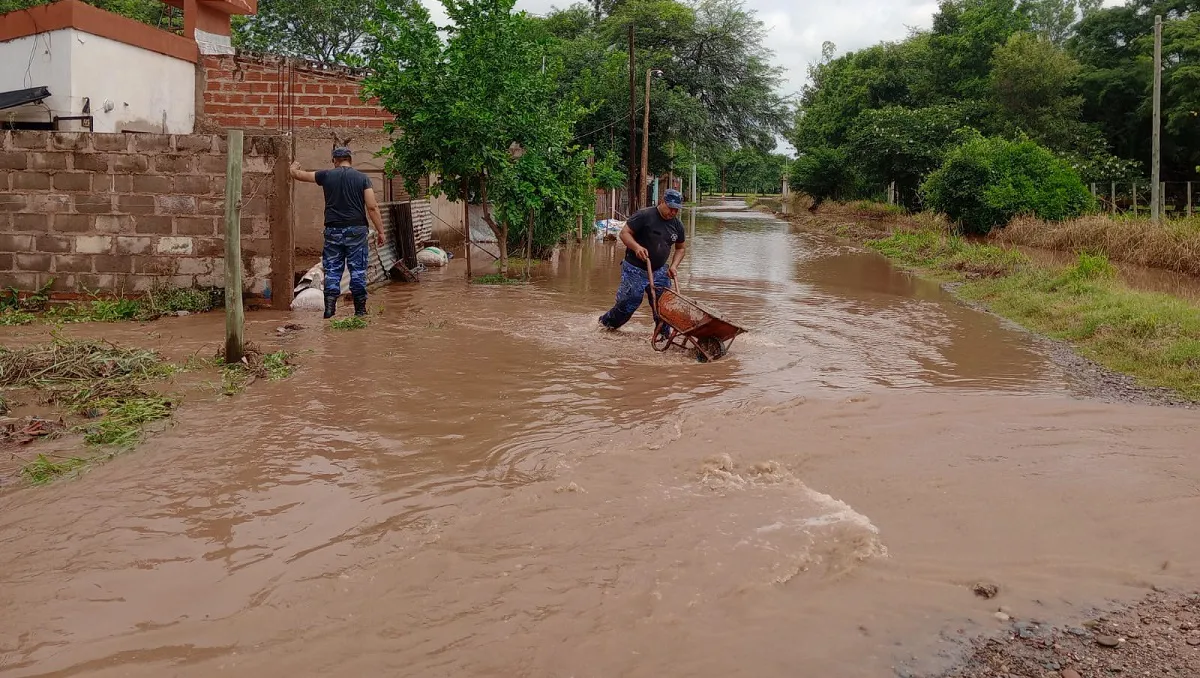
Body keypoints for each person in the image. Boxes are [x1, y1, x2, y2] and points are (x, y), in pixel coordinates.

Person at [289, 147, 385, 319]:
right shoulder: (363, 178)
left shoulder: (326, 176)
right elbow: (372, 207)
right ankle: (360, 311)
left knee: (332, 270)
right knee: (357, 270)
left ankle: (330, 310)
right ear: (350, 160)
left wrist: (293, 167)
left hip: (333, 230)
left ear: (334, 160)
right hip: (357, 231)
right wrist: (381, 231)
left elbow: (300, 175)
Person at [599, 188, 687, 333]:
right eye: (671, 208)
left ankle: (663, 336)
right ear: (662, 202)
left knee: (664, 306)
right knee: (629, 302)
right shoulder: (645, 215)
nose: (673, 212)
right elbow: (624, 233)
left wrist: (674, 266)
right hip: (635, 268)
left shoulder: (677, 225)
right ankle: (605, 325)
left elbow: (681, 248)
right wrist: (637, 247)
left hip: (659, 270)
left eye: (676, 210)